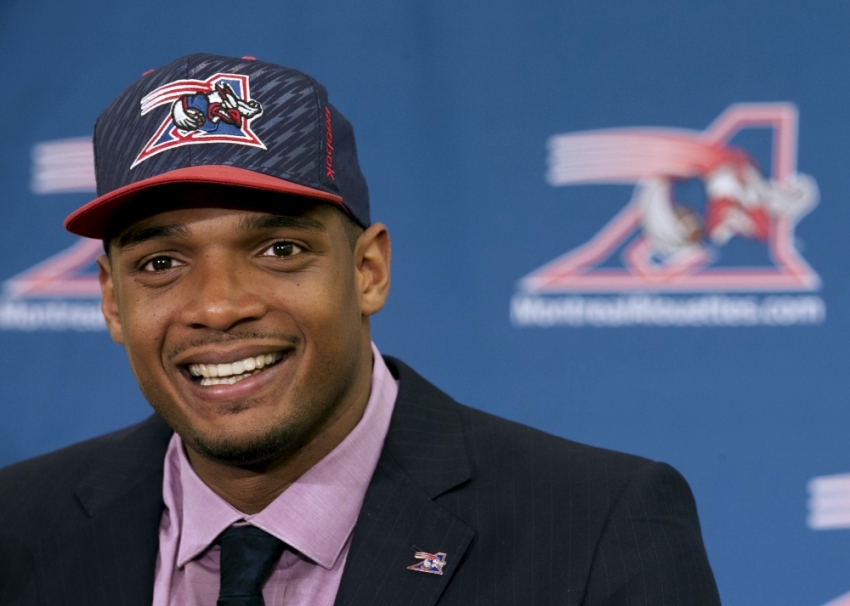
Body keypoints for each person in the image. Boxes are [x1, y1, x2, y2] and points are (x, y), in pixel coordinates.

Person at [0, 54, 721, 605]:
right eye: (161, 263)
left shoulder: (595, 527)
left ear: (368, 270)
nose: (217, 307)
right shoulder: (17, 524)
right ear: (113, 300)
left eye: (280, 249)